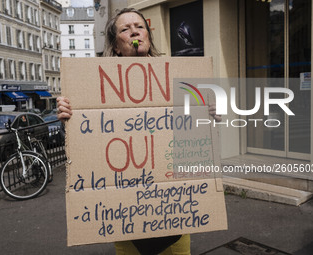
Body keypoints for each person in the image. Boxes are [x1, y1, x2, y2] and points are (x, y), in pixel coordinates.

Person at [57, 8, 221, 255]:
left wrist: (212, 115)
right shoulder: (94, 85)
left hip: (175, 213)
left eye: (139, 26)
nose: (134, 31)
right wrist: (69, 117)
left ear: (148, 35)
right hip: (126, 219)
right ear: (116, 44)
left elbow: (199, 135)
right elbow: (84, 143)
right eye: (125, 29)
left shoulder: (178, 77)